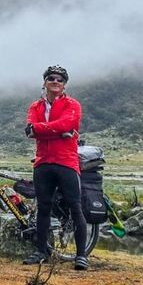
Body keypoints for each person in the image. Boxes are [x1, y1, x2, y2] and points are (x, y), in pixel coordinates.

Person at [23, 65, 89, 270]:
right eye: (51, 78)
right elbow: (30, 130)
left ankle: (81, 255)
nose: (55, 81)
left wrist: (44, 130)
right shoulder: (36, 107)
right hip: (43, 162)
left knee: (74, 207)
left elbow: (66, 125)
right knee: (43, 208)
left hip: (66, 162)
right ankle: (41, 251)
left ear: (64, 84)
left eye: (60, 79)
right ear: (44, 82)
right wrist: (58, 132)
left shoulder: (73, 104)